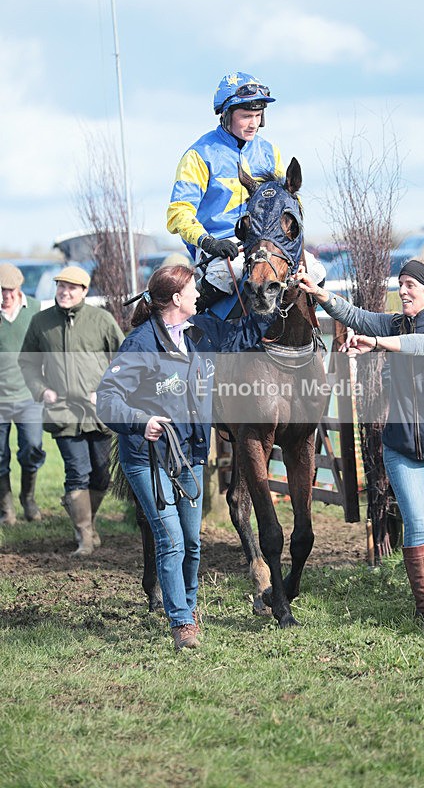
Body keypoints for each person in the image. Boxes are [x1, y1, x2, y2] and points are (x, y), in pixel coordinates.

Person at [96, 264, 279, 651]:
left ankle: (189, 608)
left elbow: (245, 333)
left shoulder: (202, 331)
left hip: (190, 455)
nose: (200, 294)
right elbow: (107, 400)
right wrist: (140, 421)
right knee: (172, 540)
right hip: (147, 458)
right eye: (194, 289)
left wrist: (263, 297)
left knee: (193, 542)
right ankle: (181, 622)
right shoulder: (141, 344)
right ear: (177, 298)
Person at [298, 259, 424, 626]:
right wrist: (321, 295)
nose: (403, 290)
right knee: (419, 525)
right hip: (402, 448)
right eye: (401, 283)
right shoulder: (394, 323)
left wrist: (377, 344)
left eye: (411, 285)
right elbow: (355, 315)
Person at [166, 71, 325, 312]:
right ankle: (187, 323)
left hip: (267, 242)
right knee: (224, 275)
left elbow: (289, 204)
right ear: (226, 115)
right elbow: (179, 213)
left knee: (315, 271)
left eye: (258, 115)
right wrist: (209, 242)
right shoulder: (199, 155)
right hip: (220, 244)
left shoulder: (270, 152)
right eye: (246, 116)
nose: (253, 123)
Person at [19, 266, 124, 556]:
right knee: (77, 472)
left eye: (71, 288)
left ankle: (86, 521)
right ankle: (84, 538)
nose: (64, 292)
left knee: (101, 475)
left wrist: (106, 390)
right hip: (62, 410)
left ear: (84, 291)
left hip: (97, 411)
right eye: (61, 286)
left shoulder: (101, 320)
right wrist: (41, 390)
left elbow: (124, 359)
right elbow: (27, 362)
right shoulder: (41, 322)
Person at [0, 264, 46, 525]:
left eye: (10, 290)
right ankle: (6, 509)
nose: (5, 295)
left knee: (32, 447)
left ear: (18, 288)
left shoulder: (35, 309)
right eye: (1, 290)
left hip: (29, 395)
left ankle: (28, 498)